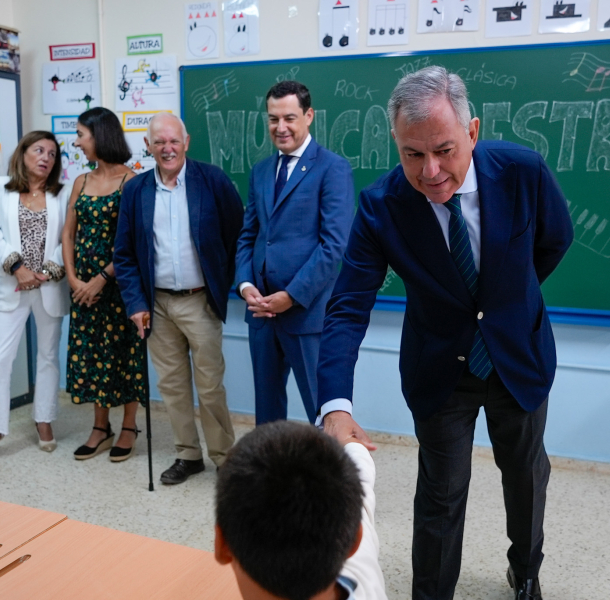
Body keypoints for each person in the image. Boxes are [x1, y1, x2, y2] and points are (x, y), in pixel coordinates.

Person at [317, 66, 573, 600]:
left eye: (444, 149)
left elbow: (555, 240)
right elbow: (347, 307)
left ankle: (525, 571)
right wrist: (335, 405)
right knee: (440, 493)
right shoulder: (381, 206)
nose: (431, 171)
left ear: (472, 132)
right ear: (396, 143)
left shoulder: (522, 171)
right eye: (413, 154)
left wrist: (507, 303)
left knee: (526, 476)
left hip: (518, 358)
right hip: (439, 370)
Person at [114, 112, 243, 484]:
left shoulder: (212, 180)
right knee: (171, 385)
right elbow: (124, 254)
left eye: (174, 141)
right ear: (149, 146)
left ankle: (224, 457)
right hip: (156, 305)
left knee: (209, 385)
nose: (167, 148)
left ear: (186, 143)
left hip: (199, 300)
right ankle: (188, 455)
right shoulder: (136, 190)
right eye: (159, 142)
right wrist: (136, 304)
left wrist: (225, 283)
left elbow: (240, 235)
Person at [236, 80, 354, 425]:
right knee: (267, 411)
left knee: (322, 411)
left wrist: (290, 296)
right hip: (261, 314)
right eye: (273, 119)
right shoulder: (260, 171)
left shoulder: (332, 168)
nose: (280, 127)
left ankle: (329, 479)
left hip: (306, 313)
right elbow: (250, 236)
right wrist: (245, 286)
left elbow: (334, 245)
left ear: (309, 116)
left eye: (289, 117)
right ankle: (273, 477)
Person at [0, 131, 70, 464]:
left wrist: (50, 269)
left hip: (47, 286)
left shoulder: (62, 193)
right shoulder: (0, 188)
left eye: (53, 154)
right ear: (23, 153)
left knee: (47, 357)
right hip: (10, 284)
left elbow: (67, 237)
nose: (46, 157)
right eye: (39, 150)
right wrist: (18, 267)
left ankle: (44, 420)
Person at [215, 421, 387, 600]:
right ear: (355, 541)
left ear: (221, 544)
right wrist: (352, 442)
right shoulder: (364, 568)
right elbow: (364, 481)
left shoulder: (359, 544)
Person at [62, 108, 144, 462]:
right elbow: (68, 233)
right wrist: (73, 278)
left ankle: (128, 426)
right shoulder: (80, 181)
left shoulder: (133, 181)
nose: (77, 142)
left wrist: (100, 278)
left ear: (101, 136)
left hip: (118, 285)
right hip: (83, 288)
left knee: (124, 356)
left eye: (81, 135)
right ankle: (100, 427)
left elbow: (135, 243)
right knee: (92, 355)